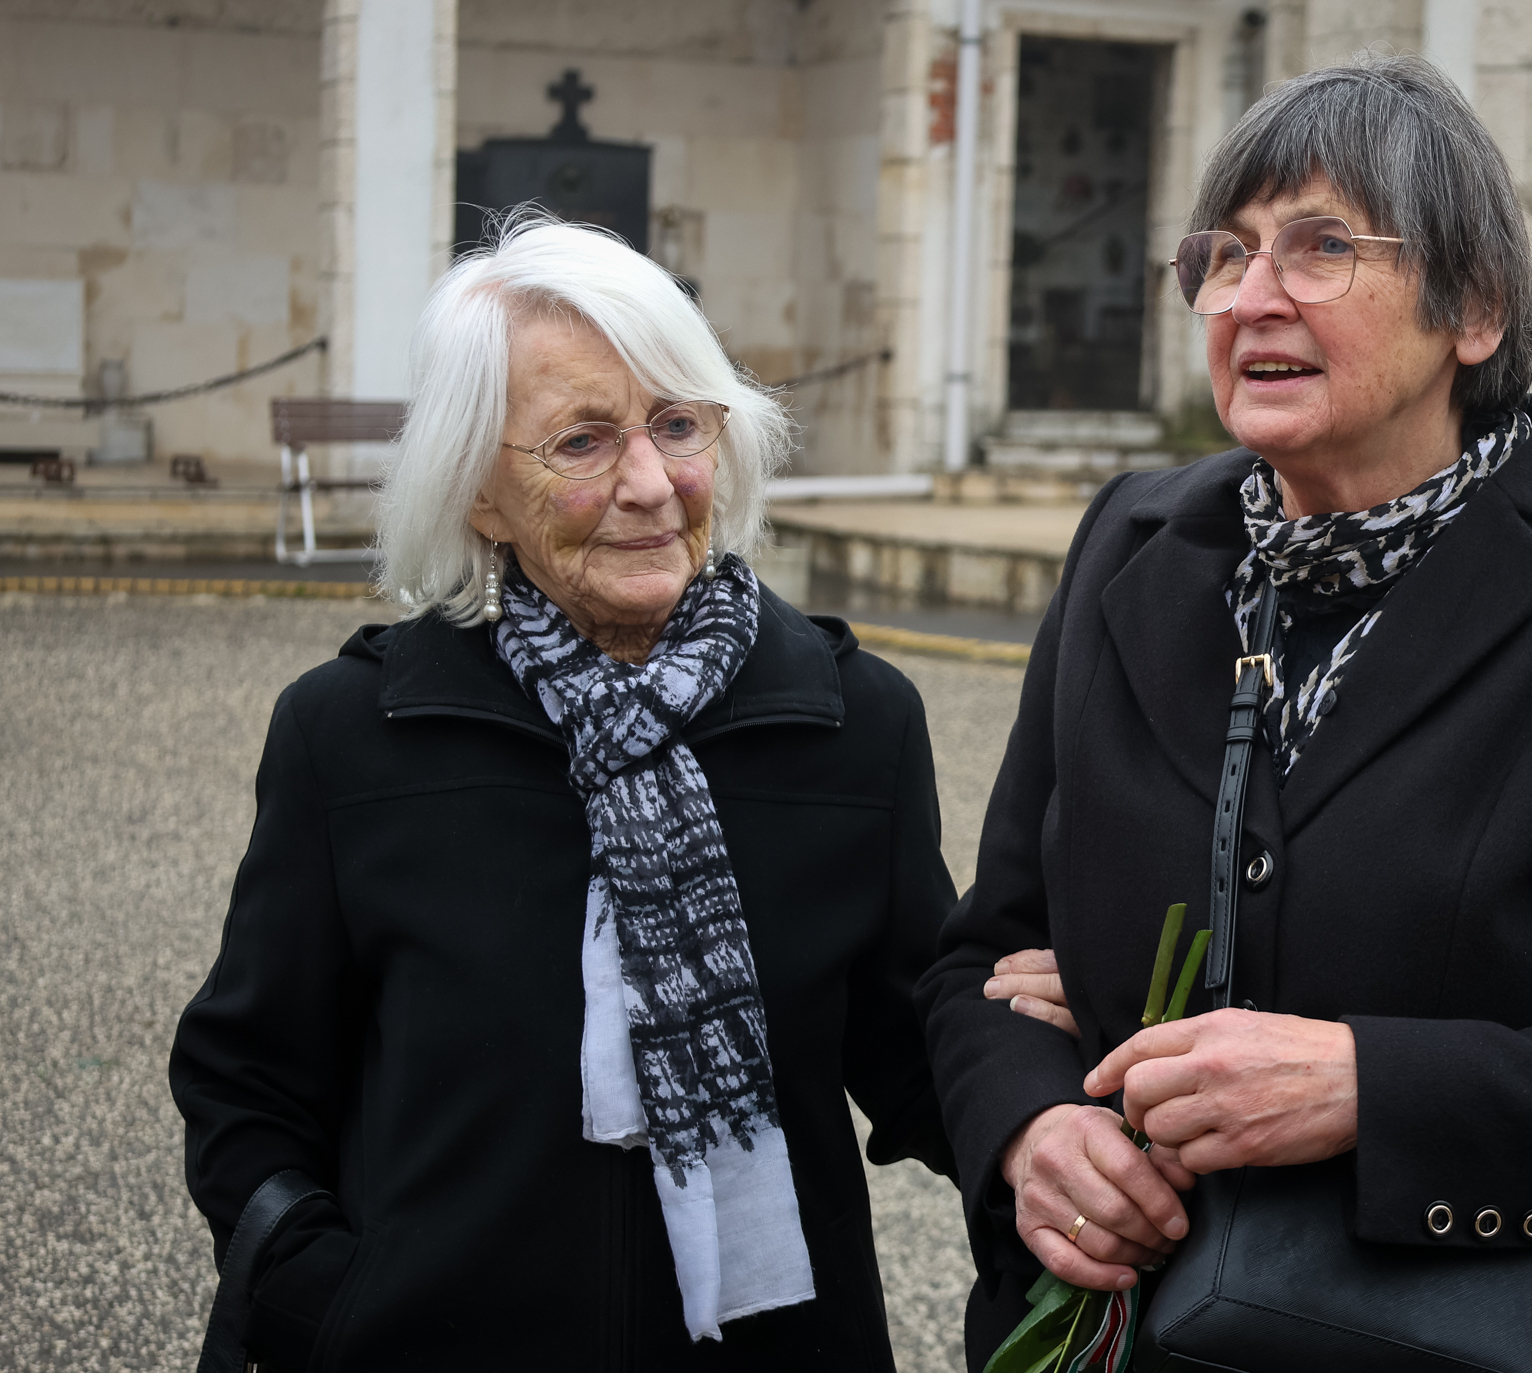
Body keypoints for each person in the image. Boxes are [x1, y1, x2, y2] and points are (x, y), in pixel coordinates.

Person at [917, 54, 1532, 1372]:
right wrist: (1031, 1127)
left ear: (1473, 307)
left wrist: (1369, 1086)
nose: (1254, 296)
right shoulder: (1131, 543)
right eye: (1227, 254)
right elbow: (982, 959)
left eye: (1321, 247)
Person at [170, 216, 955, 1371]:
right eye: (581, 441)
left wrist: (1073, 1121)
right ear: (477, 491)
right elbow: (247, 1077)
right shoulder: (352, 734)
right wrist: (331, 1299)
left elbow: (923, 1057)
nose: (649, 483)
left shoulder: (851, 721)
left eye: (677, 424)